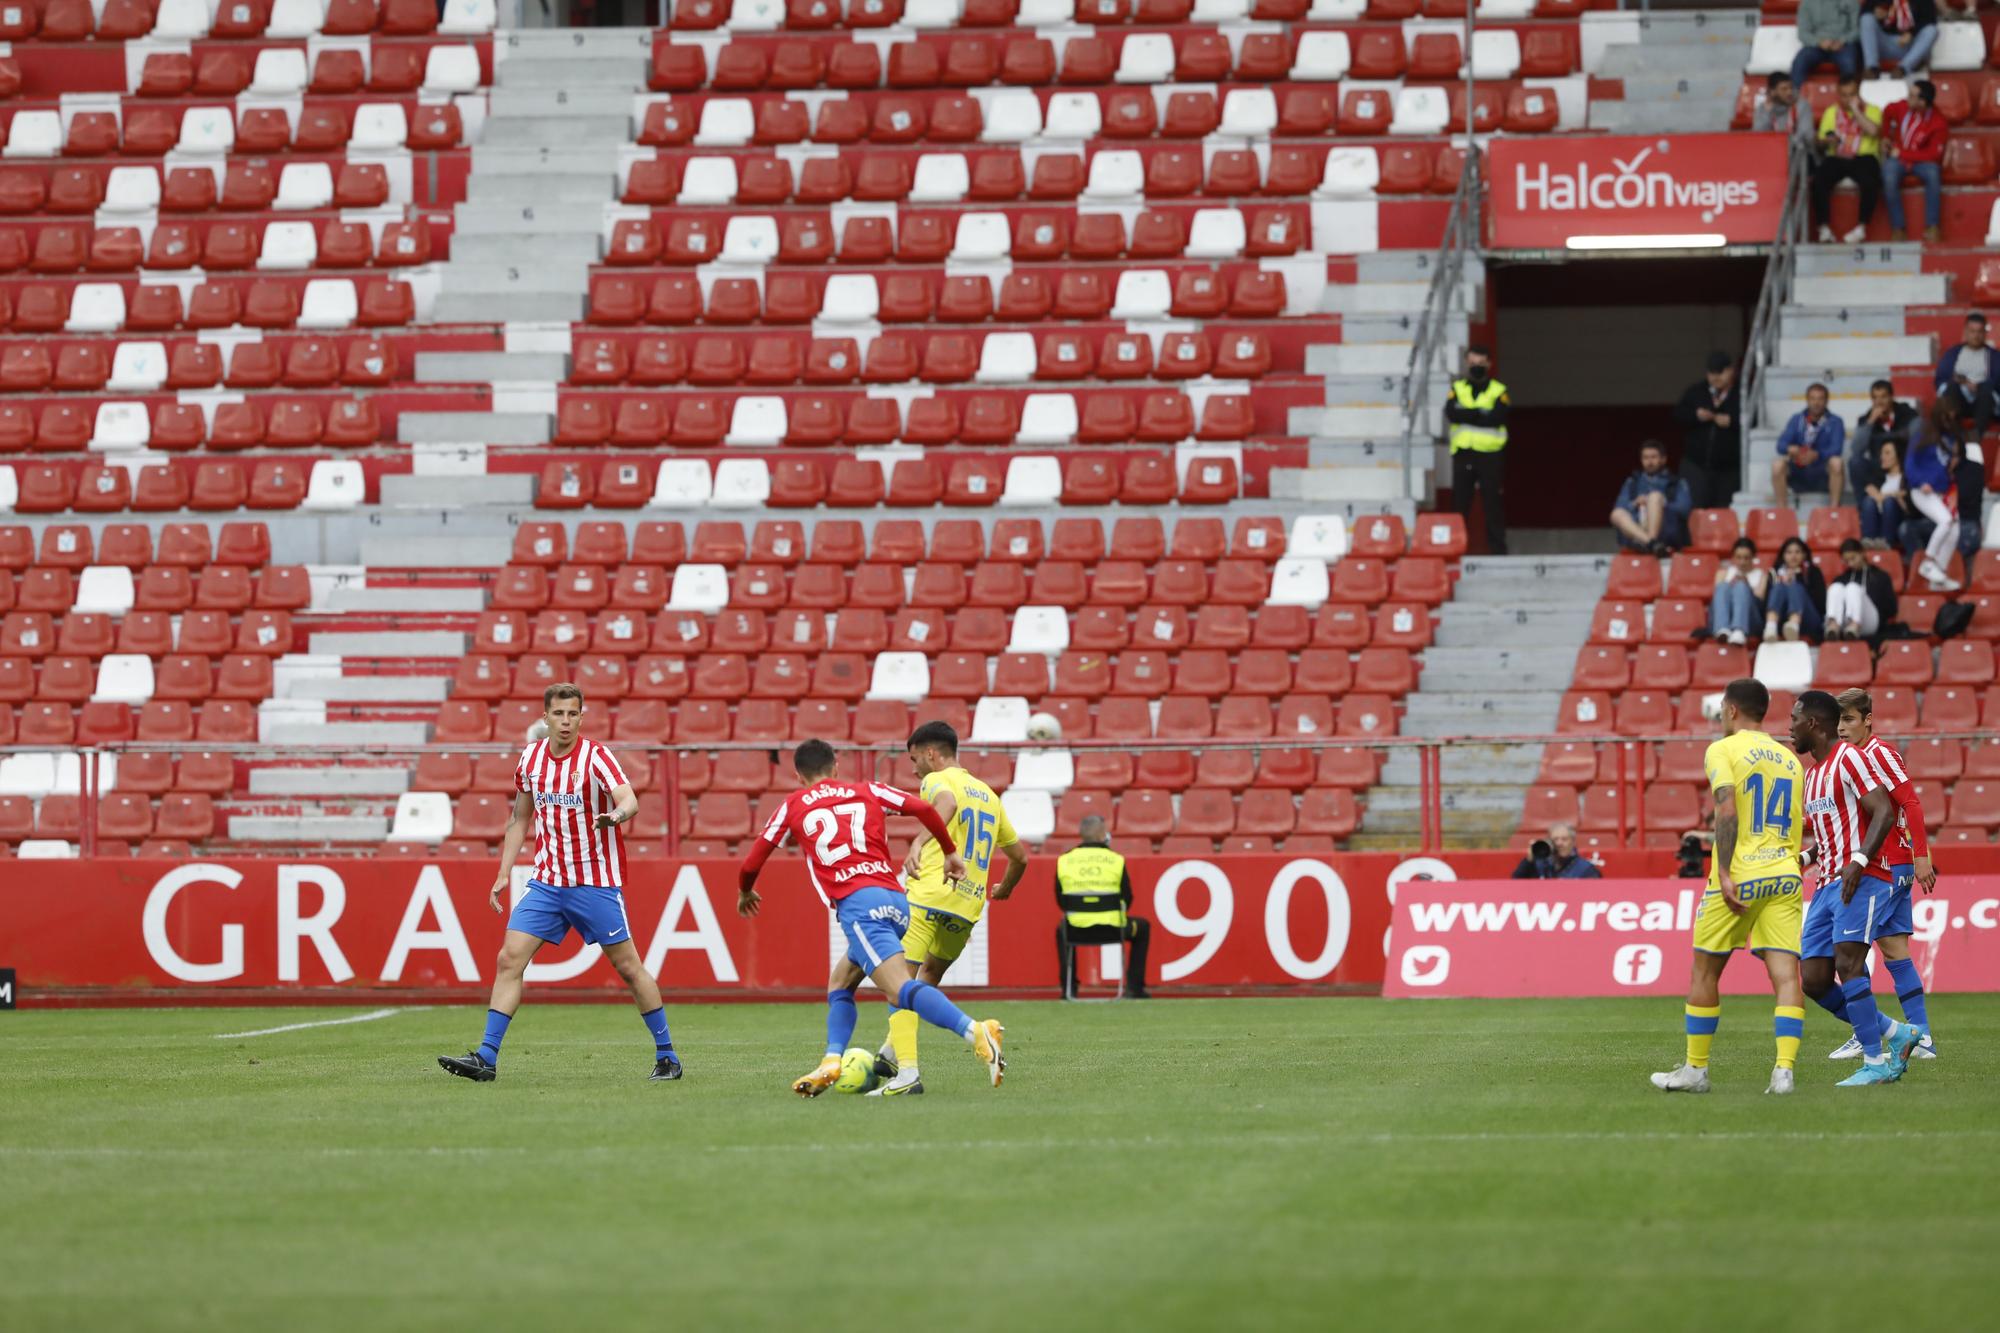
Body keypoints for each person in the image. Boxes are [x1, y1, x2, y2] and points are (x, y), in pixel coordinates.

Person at [438, 683, 681, 1084]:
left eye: (573, 714)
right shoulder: (531, 758)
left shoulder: (597, 757)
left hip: (595, 883)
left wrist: (615, 817)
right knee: (508, 958)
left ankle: (668, 1055)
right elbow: (520, 818)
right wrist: (503, 872)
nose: (566, 721)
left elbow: (629, 798)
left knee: (628, 968)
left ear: (581, 717)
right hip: (547, 882)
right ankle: (486, 1057)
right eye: (559, 714)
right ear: (545, 716)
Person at [736, 739, 1006, 1096]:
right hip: (896, 899)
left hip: (859, 906)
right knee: (841, 983)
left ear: (799, 776)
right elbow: (925, 810)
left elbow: (752, 862)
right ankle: (832, 1061)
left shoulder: (793, 804)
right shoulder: (870, 790)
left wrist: (745, 891)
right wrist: (950, 853)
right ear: (835, 767)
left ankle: (975, 1031)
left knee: (901, 990)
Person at [1650, 678, 1807, 1095]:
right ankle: (1784, 1071)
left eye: (1722, 709)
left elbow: (1726, 805)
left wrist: (1723, 872)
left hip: (1741, 876)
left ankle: (1696, 1070)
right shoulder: (1790, 759)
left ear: (1732, 710)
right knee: (1787, 975)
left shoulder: (1722, 749)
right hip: (1785, 875)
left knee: (1705, 970)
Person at [871, 720, 1029, 1096]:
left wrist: (917, 841)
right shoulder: (990, 794)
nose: (913, 770)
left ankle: (907, 1074)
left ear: (931, 753)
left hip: (929, 893)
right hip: (967, 903)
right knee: (927, 979)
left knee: (898, 984)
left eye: (914, 760)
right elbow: (1020, 857)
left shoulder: (937, 781)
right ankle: (889, 1053)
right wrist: (1003, 888)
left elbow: (946, 804)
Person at [1789, 690, 1921, 1085]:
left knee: (1849, 964)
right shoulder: (1812, 776)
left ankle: (1876, 1061)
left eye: (1794, 719)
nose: (1789, 728)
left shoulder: (1851, 758)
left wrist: (1860, 860)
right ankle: (1897, 1033)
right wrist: (1805, 859)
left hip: (1862, 880)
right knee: (1813, 979)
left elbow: (1883, 809)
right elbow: (1831, 835)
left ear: (1813, 723)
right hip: (1827, 884)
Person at [1829, 689, 1939, 1060]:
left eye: (1849, 720)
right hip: (1891, 862)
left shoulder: (1879, 754)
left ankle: (1867, 1032)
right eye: (1838, 721)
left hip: (1889, 864)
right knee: (1894, 950)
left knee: (1852, 949)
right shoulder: (1852, 757)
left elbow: (1909, 801)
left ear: (1868, 720)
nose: (1842, 728)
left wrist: (1922, 856)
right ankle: (1921, 1036)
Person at [1053, 815, 1155, 999]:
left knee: (1062, 930)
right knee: (1143, 927)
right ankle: (1134, 988)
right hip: (1115, 929)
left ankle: (1069, 989)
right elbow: (1127, 898)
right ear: (1102, 834)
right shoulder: (1116, 860)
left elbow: (1061, 901)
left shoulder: (1064, 861)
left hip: (1076, 930)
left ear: (1082, 834)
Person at [1444, 345, 1509, 555]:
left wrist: (1468, 414)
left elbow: (1498, 417)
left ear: (1489, 364)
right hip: (1464, 453)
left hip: (1490, 455)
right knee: (1460, 504)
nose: (1476, 367)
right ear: (1466, 363)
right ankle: (1455, 549)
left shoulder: (1499, 390)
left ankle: (1498, 552)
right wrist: (1481, 414)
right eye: (1472, 364)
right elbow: (1452, 414)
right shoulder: (1457, 388)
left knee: (1493, 504)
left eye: (1481, 364)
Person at [1812, 72, 1882, 244]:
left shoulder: (1873, 110)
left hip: (1864, 157)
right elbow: (1820, 141)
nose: (1847, 99)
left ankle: (1861, 227)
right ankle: (1824, 228)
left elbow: (1873, 131)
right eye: (1843, 95)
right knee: (1818, 179)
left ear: (1858, 94)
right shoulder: (1831, 112)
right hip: (1838, 156)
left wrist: (1856, 111)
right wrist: (1827, 140)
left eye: (1851, 95)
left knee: (1870, 181)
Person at [1850, 379, 1917, 547]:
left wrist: (1888, 438)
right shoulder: (1866, 419)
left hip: (1904, 468)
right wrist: (1870, 423)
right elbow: (1857, 449)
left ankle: (1888, 542)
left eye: (1883, 397)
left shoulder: (1906, 413)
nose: (1879, 402)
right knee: (1855, 462)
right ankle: (1864, 510)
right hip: (1879, 469)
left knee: (1889, 502)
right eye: (1875, 398)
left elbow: (1916, 435)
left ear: (1892, 397)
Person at [1673, 351, 1742, 510]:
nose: (1716, 378)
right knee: (1694, 509)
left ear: (1731, 371)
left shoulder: (1741, 393)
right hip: (1696, 464)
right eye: (1712, 373)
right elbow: (1678, 414)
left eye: (1720, 372)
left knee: (1723, 511)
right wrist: (1696, 415)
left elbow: (1753, 420)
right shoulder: (1696, 391)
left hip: (1728, 468)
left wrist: (1732, 421)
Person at [1880, 79, 1947, 242]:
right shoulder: (1902, 107)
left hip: (1920, 160)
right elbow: (1887, 111)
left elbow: (1934, 155)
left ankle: (1932, 226)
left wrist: (1903, 154)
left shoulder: (1939, 122)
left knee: (1933, 173)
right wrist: (1885, 136)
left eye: (1912, 96)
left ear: (1922, 102)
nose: (1906, 98)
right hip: (1899, 159)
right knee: (1888, 174)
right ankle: (1898, 228)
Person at [1905, 405, 1962, 590]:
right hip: (1921, 490)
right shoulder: (1922, 435)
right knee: (1945, 521)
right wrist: (1919, 481)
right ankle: (1928, 562)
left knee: (1955, 529)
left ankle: (1939, 576)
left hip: (1940, 491)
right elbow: (1909, 463)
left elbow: (1942, 465)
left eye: (1952, 418)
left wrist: (1953, 464)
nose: (1949, 422)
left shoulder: (1950, 438)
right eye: (1946, 418)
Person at [1609, 440, 1693, 555]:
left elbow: (1685, 509)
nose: (1649, 461)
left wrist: (1661, 502)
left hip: (1666, 530)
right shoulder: (1632, 482)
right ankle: (1652, 544)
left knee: (1654, 497)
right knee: (1616, 513)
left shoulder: (1677, 482)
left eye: (1653, 457)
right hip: (1637, 530)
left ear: (1663, 459)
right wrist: (1635, 503)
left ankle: (1652, 542)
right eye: (1646, 458)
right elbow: (1620, 505)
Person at [1772, 382, 1847, 505]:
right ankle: (1782, 512)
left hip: (1821, 471)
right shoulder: (1797, 419)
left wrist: (1817, 455)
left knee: (1837, 462)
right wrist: (1791, 449)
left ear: (1827, 401)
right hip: (1799, 469)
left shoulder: (1835, 421)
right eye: (1812, 398)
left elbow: (1836, 449)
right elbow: (1780, 445)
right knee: (1777, 465)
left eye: (1820, 399)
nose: (1816, 403)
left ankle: (1834, 511)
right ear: (1807, 400)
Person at [1934, 312, 1997, 442]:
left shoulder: (1995, 356)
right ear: (1965, 332)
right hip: (1958, 401)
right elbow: (1940, 380)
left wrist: (1978, 386)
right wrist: (1961, 383)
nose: (1976, 335)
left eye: (1979, 331)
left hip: (1984, 403)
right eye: (1972, 331)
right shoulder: (1952, 354)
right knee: (1951, 388)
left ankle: (1975, 439)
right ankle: (1955, 439)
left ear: (1985, 333)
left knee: (1986, 390)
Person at [1825, 537, 1899, 639]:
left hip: (1870, 621)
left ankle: (1855, 625)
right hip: (1844, 622)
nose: (1850, 563)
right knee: (1835, 587)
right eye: (1846, 561)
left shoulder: (1880, 576)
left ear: (1862, 553)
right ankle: (1833, 626)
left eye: (1853, 558)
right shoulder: (1841, 578)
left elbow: (1892, 608)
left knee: (1852, 587)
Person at [1765, 536, 1827, 642]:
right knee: (1779, 586)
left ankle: (1794, 623)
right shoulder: (1774, 573)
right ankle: (1771, 626)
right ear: (1783, 556)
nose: (1793, 556)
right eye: (1789, 552)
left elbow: (1821, 604)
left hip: (1809, 619)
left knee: (1795, 586)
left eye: (1797, 552)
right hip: (1782, 622)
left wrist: (1798, 578)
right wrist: (1783, 582)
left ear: (1804, 554)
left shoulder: (1813, 571)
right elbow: (1766, 603)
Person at [1709, 538, 1769, 646]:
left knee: (1741, 587)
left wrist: (1745, 585)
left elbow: (1759, 600)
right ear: (1733, 557)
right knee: (1722, 586)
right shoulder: (1723, 573)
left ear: (1753, 557)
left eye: (1746, 558)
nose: (1742, 562)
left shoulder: (1761, 576)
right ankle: (1722, 628)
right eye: (1739, 557)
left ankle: (1739, 629)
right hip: (1725, 616)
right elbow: (1718, 600)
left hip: (1750, 620)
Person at [1791, 0, 1861, 89]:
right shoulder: (1807, 3)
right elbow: (1803, 34)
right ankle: (1795, 99)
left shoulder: (1851, 2)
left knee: (1849, 62)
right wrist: (1819, 42)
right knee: (1800, 61)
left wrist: (1842, 41)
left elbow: (1857, 30)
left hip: (1843, 45)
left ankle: (1850, 98)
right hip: (1816, 46)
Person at [1861, 0, 1938, 77]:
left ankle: (1902, 69)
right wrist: (1874, 12)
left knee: (1931, 30)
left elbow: (1930, 19)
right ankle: (1872, 68)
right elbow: (1864, 11)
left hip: (1911, 47)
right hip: (1885, 43)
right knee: (1866, 18)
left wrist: (1912, 33)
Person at [1510, 823, 1601, 879]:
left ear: (1573, 842)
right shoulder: (1541, 865)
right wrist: (1529, 860)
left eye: (1564, 839)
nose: (1559, 843)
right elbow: (1516, 882)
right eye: (1555, 840)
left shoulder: (1585, 868)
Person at [1753, 70, 1811, 147]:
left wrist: (1781, 146)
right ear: (1772, 92)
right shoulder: (1763, 109)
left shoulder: (1801, 105)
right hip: (1770, 153)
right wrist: (1767, 112)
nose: (1789, 92)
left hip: (1797, 155)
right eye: (1784, 89)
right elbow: (1758, 136)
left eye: (1790, 88)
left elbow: (1806, 136)